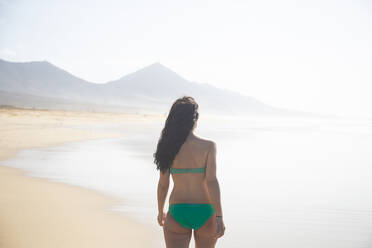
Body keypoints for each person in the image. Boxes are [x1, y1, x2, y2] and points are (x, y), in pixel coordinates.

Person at [154, 96, 225, 248]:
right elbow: (211, 181)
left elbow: (163, 185)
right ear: (194, 120)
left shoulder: (168, 147)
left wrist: (160, 212)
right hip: (205, 212)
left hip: (177, 212)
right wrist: (219, 216)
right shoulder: (208, 146)